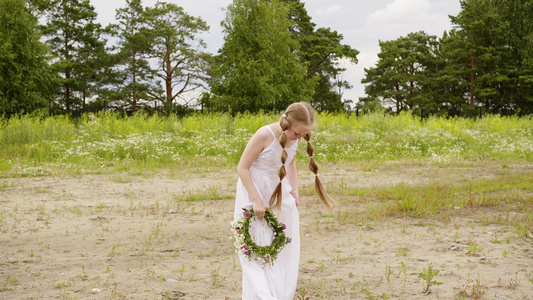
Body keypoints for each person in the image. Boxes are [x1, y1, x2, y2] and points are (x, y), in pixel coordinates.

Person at [233, 101, 335, 300]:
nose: (300, 137)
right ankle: (262, 296)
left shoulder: (297, 136)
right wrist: (256, 199)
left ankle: (279, 293)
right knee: (257, 244)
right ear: (287, 123)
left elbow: (290, 161)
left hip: (279, 189)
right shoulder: (264, 134)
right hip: (254, 189)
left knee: (284, 244)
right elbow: (242, 168)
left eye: (304, 134)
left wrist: (294, 189)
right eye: (297, 133)